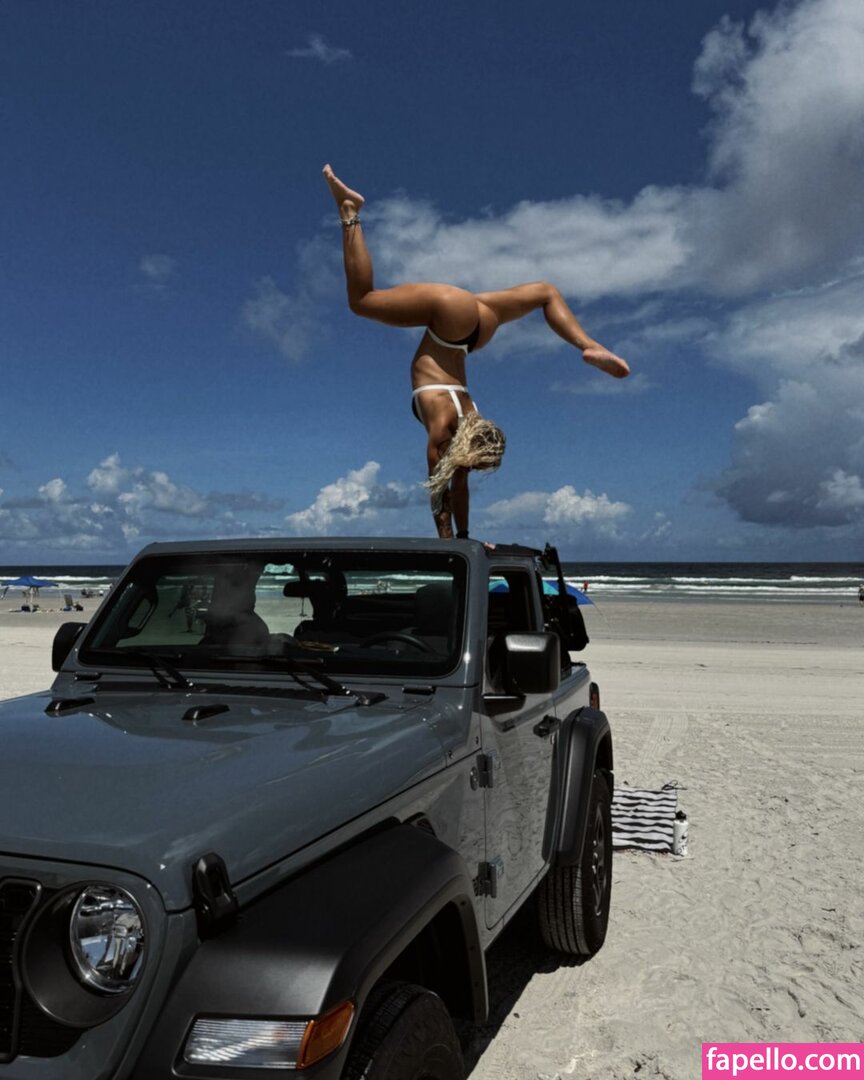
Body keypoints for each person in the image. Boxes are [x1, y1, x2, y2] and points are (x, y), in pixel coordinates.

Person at [323, 164, 630, 539]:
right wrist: (450, 542)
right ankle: (350, 210)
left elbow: (457, 483)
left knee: (544, 292)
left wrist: (465, 540)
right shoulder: (444, 425)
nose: (470, 468)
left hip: (476, 329)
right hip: (452, 317)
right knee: (362, 300)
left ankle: (589, 345)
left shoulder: (471, 419)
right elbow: (439, 487)